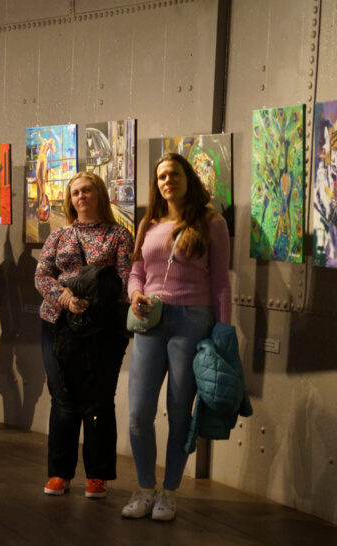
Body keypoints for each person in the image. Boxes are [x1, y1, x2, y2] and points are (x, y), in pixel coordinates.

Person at [122, 153, 231, 521]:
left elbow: (221, 283)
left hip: (192, 321)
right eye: (162, 177)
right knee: (139, 412)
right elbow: (136, 271)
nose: (168, 181)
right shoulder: (149, 223)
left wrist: (223, 331)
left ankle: (169, 492)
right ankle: (144, 488)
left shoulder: (211, 223)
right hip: (150, 320)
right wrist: (135, 293)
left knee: (180, 412)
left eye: (174, 174)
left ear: (188, 178)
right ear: (157, 184)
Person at [34, 172, 133, 498]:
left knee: (99, 401)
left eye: (87, 190)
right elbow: (42, 275)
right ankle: (59, 473)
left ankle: (97, 476)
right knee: (63, 399)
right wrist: (64, 298)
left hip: (102, 329)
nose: (81, 196)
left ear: (99, 193)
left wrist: (95, 302)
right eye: (75, 192)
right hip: (58, 324)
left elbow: (126, 279)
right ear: (70, 199)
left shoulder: (119, 236)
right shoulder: (59, 236)